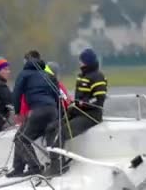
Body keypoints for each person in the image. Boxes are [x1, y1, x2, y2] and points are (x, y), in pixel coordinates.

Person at [45, 47, 108, 176]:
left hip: (91, 115)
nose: (79, 63)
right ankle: (55, 161)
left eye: (81, 61)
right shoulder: (81, 76)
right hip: (77, 112)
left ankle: (57, 167)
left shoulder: (98, 77)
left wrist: (82, 103)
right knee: (51, 128)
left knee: (61, 132)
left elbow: (99, 100)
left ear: (86, 62)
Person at [7, 50, 59, 177]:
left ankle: (35, 167)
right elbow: (57, 94)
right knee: (19, 137)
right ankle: (18, 168)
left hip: (38, 111)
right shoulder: (48, 74)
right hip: (52, 111)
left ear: (26, 61)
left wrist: (18, 111)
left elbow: (16, 94)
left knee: (21, 140)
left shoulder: (24, 74)